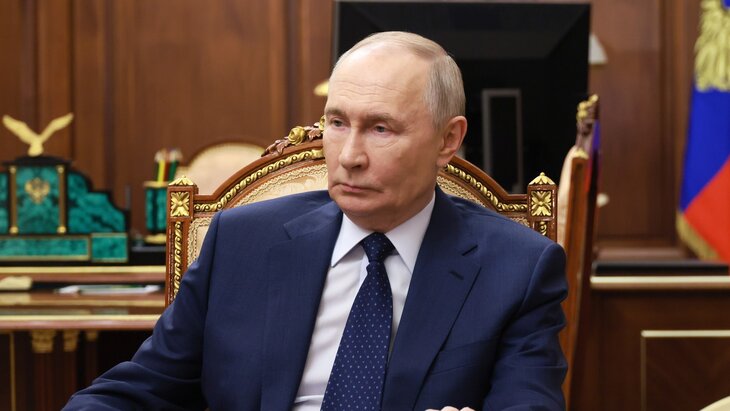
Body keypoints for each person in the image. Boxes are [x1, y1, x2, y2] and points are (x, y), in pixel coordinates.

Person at [64, 31, 567, 411]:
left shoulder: (517, 269)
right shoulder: (241, 242)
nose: (348, 156)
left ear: (447, 140)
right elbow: (137, 390)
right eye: (337, 123)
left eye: (381, 129)